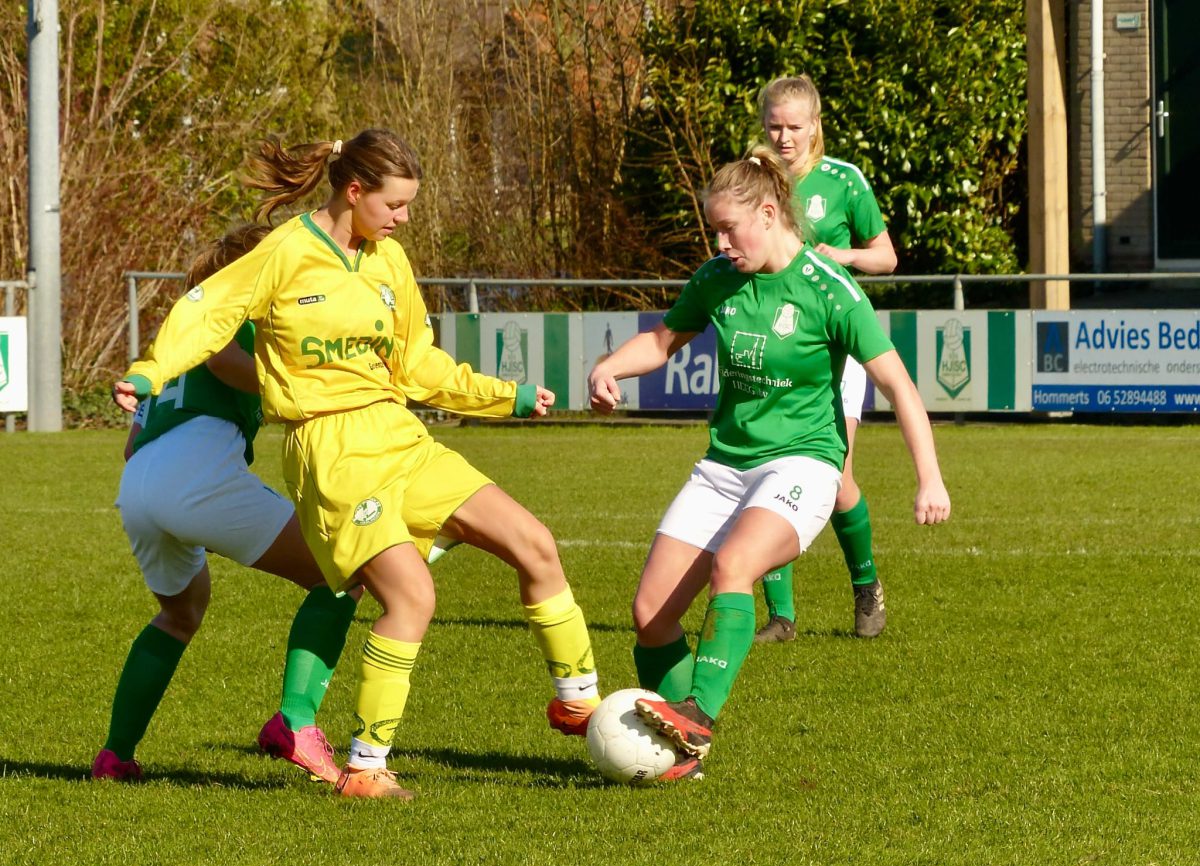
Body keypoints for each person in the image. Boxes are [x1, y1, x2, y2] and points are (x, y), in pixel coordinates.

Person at [112, 129, 601, 800]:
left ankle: (579, 704)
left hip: (398, 436)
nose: (402, 219)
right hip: (330, 450)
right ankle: (367, 766)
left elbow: (417, 364)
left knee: (534, 543)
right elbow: (206, 312)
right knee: (410, 597)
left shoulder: (388, 260)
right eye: (395, 204)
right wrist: (149, 370)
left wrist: (504, 396)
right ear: (354, 190)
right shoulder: (283, 252)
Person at [587, 148, 949, 776]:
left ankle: (697, 714)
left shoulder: (829, 290)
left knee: (735, 565)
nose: (721, 242)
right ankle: (681, 753)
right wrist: (609, 366)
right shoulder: (717, 276)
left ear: (768, 211)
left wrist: (930, 478)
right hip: (725, 465)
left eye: (730, 229)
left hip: (804, 466)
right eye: (714, 231)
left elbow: (899, 385)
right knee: (650, 615)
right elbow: (663, 340)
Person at [95, 224, 361, 786]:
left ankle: (114, 757)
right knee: (343, 574)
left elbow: (130, 441)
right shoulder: (235, 310)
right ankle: (295, 722)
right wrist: (298, 390)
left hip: (139, 483)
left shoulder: (178, 339)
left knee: (181, 612)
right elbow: (222, 361)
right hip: (196, 474)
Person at [755, 74, 900, 643]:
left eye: (794, 126)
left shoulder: (844, 180)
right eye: (774, 126)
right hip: (776, 341)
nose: (784, 137)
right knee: (765, 467)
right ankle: (781, 616)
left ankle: (866, 587)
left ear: (815, 124)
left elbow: (886, 258)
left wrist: (835, 254)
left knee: (835, 478)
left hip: (837, 345)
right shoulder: (755, 182)